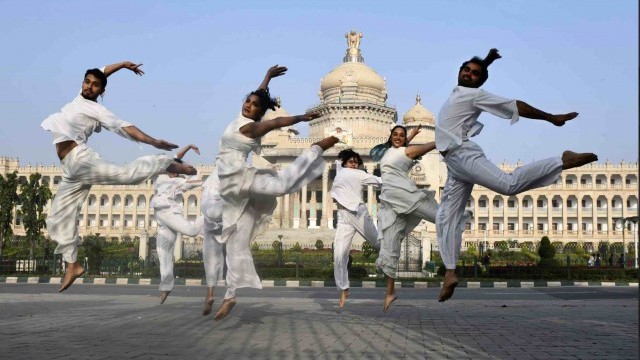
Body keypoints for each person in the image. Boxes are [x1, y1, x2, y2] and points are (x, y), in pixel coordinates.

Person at [434, 49, 598, 302]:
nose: (468, 73)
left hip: (462, 153)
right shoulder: (459, 91)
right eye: (466, 69)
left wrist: (551, 117)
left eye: (474, 73)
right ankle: (450, 273)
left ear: (480, 81)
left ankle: (561, 160)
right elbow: (475, 72)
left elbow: (515, 106)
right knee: (445, 216)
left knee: (508, 185)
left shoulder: (474, 95)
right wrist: (485, 62)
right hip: (453, 163)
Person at [41, 61, 196, 292]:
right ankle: (72, 264)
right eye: (87, 82)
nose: (89, 87)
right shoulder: (79, 99)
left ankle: (166, 163)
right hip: (70, 171)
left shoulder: (97, 109)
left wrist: (152, 141)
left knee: (126, 175)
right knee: (57, 216)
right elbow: (102, 72)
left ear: (102, 91)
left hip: (81, 160)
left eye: (95, 86)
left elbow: (126, 128)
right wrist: (123, 65)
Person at [214, 65, 340, 319]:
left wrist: (301, 119)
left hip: (242, 180)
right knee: (235, 242)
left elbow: (277, 122)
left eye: (253, 105)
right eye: (247, 101)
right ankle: (230, 296)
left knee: (282, 186)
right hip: (230, 188)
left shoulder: (250, 128)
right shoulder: (243, 119)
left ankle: (317, 148)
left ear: (259, 113)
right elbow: (260, 96)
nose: (248, 105)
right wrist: (267, 78)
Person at [372, 124, 439, 312]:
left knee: (439, 217)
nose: (399, 137)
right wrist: (411, 135)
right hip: (390, 202)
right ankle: (390, 292)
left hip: (405, 195)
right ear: (391, 136)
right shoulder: (391, 151)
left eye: (402, 135)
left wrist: (442, 138)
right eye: (396, 134)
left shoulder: (406, 152)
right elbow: (399, 150)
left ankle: (454, 218)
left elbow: (424, 147)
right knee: (389, 247)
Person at [150, 144, 204, 304]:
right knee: (163, 253)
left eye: (176, 168)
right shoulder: (161, 176)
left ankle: (209, 215)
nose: (172, 169)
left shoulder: (180, 181)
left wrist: (193, 171)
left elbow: (196, 181)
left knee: (192, 231)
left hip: (170, 213)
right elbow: (177, 156)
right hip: (161, 217)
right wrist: (189, 146)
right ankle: (165, 287)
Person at [330, 149, 381, 308]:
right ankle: (344, 288)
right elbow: (339, 162)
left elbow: (377, 180)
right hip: (344, 216)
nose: (354, 164)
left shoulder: (357, 173)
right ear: (344, 162)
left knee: (378, 243)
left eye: (356, 162)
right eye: (351, 161)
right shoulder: (340, 171)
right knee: (339, 255)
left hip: (358, 213)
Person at [200, 168, 225, 317]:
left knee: (210, 259)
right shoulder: (230, 171)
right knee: (229, 256)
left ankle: (209, 294)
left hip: (209, 217)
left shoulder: (210, 178)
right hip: (222, 214)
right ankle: (230, 295)